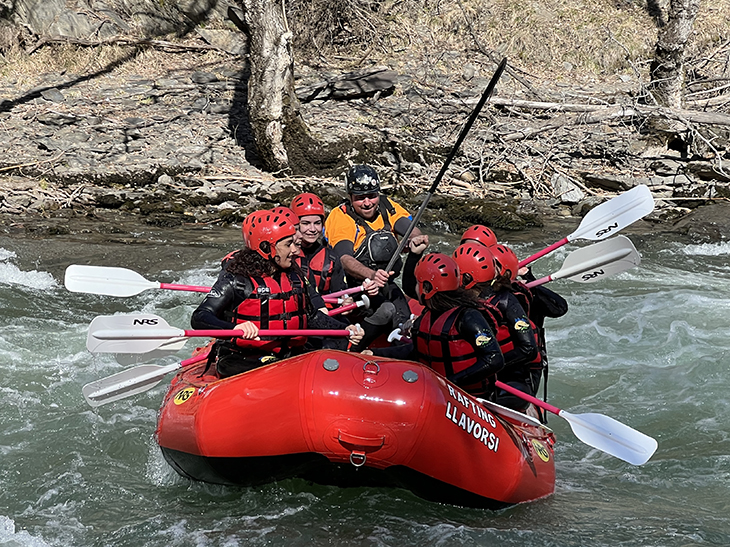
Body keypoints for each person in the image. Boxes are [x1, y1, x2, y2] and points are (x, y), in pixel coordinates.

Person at [191, 210, 364, 378]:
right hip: (243, 357)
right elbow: (200, 317)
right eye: (288, 244)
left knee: (336, 347)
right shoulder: (237, 280)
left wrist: (343, 330)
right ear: (267, 248)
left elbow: (311, 316)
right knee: (270, 367)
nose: (295, 251)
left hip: (288, 354)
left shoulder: (295, 277)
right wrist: (234, 328)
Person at [324, 164, 427, 349]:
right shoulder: (340, 217)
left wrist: (416, 238)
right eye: (360, 198)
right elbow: (344, 259)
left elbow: (408, 227)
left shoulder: (386, 206)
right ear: (350, 197)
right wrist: (371, 275)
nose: (367, 202)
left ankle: (403, 346)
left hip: (387, 284)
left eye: (372, 196)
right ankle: (354, 348)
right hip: (355, 288)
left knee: (403, 314)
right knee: (387, 310)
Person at [452, 242, 540, 411]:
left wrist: (484, 366)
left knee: (514, 397)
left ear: (467, 279)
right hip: (476, 374)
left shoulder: (507, 301)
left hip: (509, 374)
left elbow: (528, 348)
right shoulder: (457, 301)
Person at [409, 252, 504, 398]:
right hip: (439, 394)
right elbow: (416, 350)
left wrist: (450, 383)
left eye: (417, 283)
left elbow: (494, 359)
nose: (415, 288)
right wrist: (375, 354)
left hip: (470, 398)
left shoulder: (468, 316)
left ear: (427, 289)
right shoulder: (427, 316)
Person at [289, 192, 347, 296]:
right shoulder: (285, 255)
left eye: (317, 223)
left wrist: (346, 301)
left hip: (324, 310)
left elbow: (340, 293)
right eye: (306, 223)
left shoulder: (331, 259)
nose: (312, 229)